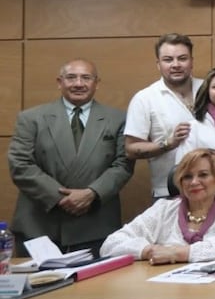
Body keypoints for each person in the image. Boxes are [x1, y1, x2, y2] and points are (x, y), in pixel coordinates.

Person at [8, 59, 132, 257]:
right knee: (38, 287)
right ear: (59, 82)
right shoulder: (31, 118)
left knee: (95, 288)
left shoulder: (118, 119)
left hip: (94, 225)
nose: (78, 83)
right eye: (71, 77)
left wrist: (91, 193)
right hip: (39, 225)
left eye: (86, 77)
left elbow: (123, 164)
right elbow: (20, 164)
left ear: (97, 83)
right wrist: (59, 197)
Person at [100, 148, 215, 263]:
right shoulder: (163, 209)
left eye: (203, 175)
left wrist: (177, 253)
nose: (194, 182)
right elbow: (110, 244)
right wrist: (149, 250)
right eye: (187, 176)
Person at [124, 33, 204, 197]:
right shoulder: (144, 98)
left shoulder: (210, 89)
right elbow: (131, 149)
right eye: (168, 59)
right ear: (158, 64)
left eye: (182, 58)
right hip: (170, 192)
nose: (176, 64)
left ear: (191, 62)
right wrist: (168, 143)